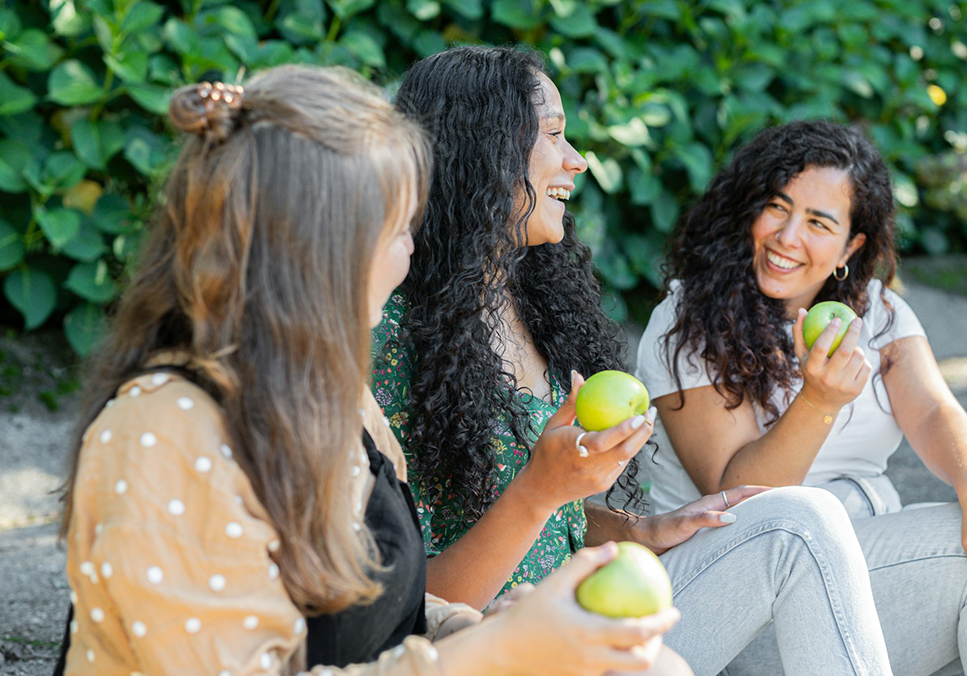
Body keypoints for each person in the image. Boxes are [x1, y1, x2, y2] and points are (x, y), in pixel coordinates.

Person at [53, 64, 685, 676]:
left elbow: (387, 606)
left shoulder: (337, 398)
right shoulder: (161, 433)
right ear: (314, 245)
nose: (412, 251)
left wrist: (484, 629)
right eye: (395, 227)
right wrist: (496, 650)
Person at [373, 46, 896, 676]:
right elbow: (408, 613)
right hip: (497, 644)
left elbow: (549, 524)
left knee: (800, 517)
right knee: (801, 521)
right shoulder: (392, 339)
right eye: (556, 135)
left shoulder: (530, 298)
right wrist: (540, 491)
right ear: (485, 151)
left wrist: (640, 530)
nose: (577, 160)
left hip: (590, 602)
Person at [637, 119, 967, 675]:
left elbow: (933, 410)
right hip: (746, 595)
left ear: (850, 246)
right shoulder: (688, 322)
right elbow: (740, 493)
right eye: (777, 207)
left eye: (818, 221)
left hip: (863, 560)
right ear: (749, 211)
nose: (788, 237)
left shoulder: (875, 312)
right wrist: (817, 402)